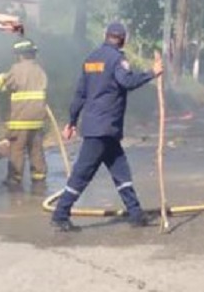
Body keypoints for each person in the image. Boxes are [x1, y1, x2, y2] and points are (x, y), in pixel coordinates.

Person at [50, 22, 163, 232]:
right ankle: (60, 214)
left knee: (122, 173)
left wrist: (72, 122)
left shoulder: (91, 59)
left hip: (99, 129)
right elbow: (126, 82)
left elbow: (79, 95)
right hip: (104, 129)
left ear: (105, 35)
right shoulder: (117, 60)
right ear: (123, 39)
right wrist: (151, 73)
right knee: (81, 175)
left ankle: (136, 214)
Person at [0, 39, 49, 194]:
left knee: (17, 151)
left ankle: (14, 179)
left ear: (20, 55)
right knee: (36, 150)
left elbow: (2, 84)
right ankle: (39, 178)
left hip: (20, 121)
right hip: (37, 121)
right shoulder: (40, 71)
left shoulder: (16, 70)